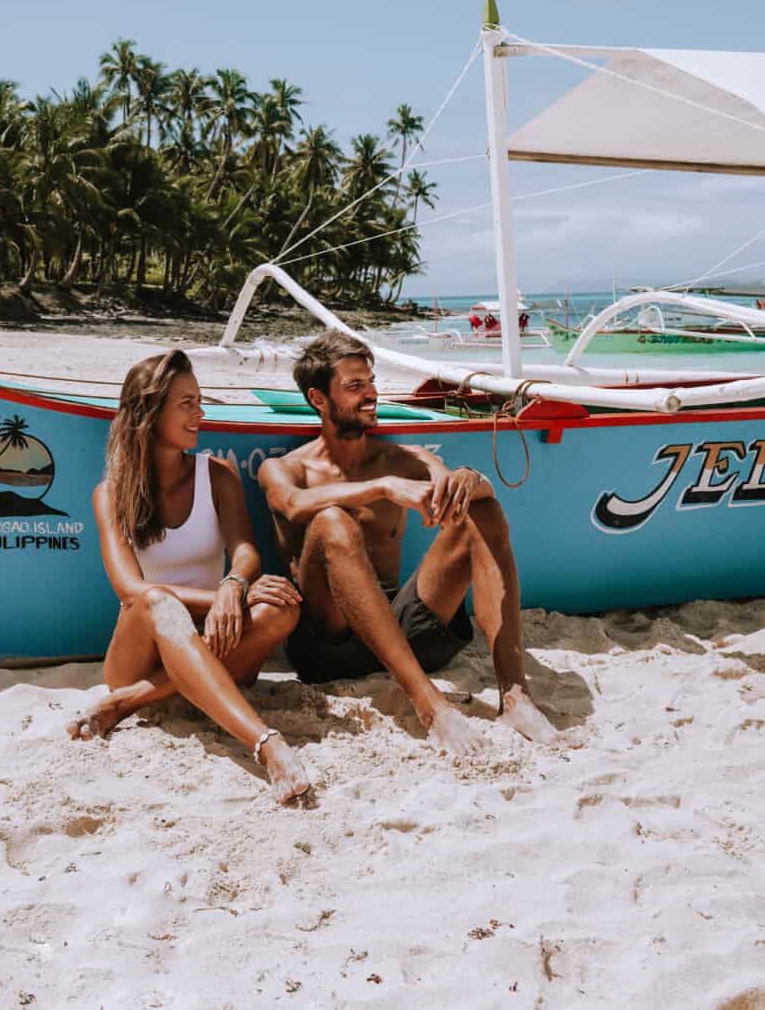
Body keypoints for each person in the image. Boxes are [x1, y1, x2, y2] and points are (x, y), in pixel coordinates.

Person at [258, 331, 555, 753]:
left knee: (481, 508)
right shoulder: (285, 468)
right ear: (319, 399)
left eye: (372, 381)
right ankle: (430, 706)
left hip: (406, 630)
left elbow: (456, 488)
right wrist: (383, 489)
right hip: (328, 644)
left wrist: (470, 479)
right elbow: (291, 504)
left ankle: (515, 697)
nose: (371, 394)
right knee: (331, 522)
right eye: (354, 386)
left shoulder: (404, 458)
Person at [68, 349, 310, 804]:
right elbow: (131, 590)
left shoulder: (216, 475)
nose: (201, 414)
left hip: (216, 637)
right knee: (159, 602)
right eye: (187, 403)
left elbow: (245, 552)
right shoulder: (111, 494)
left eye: (200, 401)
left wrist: (235, 585)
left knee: (282, 607)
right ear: (149, 411)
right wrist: (220, 596)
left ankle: (130, 702)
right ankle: (265, 743)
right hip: (139, 651)